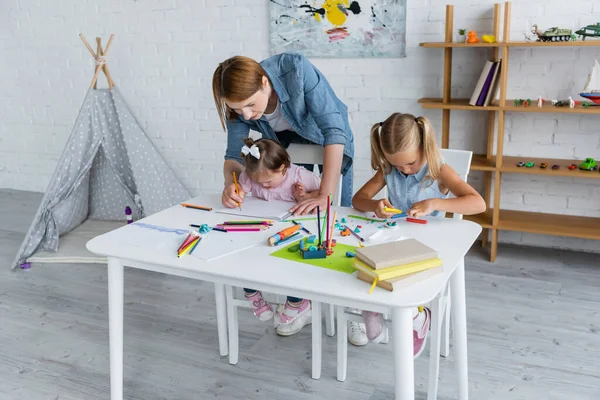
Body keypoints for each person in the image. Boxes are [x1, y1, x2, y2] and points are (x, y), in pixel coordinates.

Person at [352, 112, 486, 356]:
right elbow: (358, 199)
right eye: (397, 164)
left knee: (402, 276)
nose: (404, 169)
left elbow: (478, 204)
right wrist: (376, 206)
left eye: (410, 163)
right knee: (363, 266)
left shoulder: (439, 171)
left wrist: (435, 203)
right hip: (392, 242)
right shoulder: (388, 171)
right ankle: (374, 308)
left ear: (424, 147)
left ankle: (418, 317)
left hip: (426, 249)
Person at [212, 52, 354, 216]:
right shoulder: (238, 105)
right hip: (288, 143)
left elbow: (333, 131)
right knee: (294, 205)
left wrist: (324, 195)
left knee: (333, 211)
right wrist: (231, 184)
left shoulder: (295, 69)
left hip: (329, 137)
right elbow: (233, 156)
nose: (246, 115)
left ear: (264, 82)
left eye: (251, 104)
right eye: (237, 109)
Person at [236, 138, 321, 336]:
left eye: (268, 181)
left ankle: (296, 301)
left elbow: (326, 194)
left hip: (292, 233)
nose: (264, 186)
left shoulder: (300, 176)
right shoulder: (250, 176)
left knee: (291, 264)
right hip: (262, 231)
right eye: (259, 182)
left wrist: (306, 195)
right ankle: (252, 292)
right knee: (243, 254)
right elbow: (241, 191)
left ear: (283, 168)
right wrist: (237, 194)